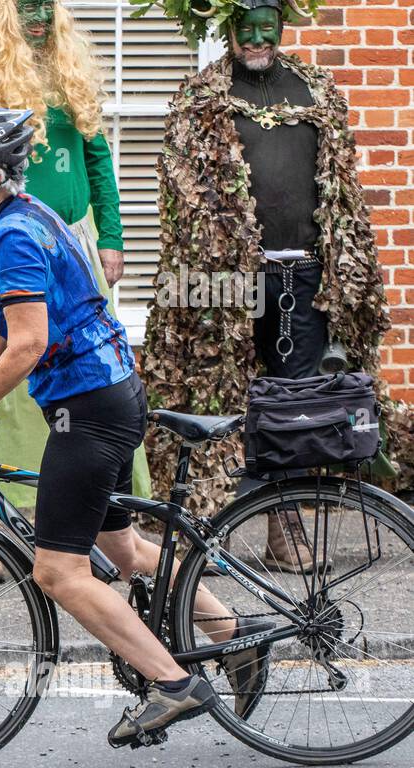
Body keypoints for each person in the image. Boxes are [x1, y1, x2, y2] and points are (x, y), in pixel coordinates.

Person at [0, 106, 269, 748]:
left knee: (57, 572)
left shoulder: (15, 233)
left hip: (91, 409)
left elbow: (29, 343)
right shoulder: (14, 220)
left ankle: (174, 684)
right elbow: (5, 322)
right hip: (102, 397)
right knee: (123, 550)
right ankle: (233, 636)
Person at [140, 0, 411, 549]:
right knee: (215, 395)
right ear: (228, 28)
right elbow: (180, 198)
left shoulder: (316, 92)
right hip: (225, 281)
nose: (258, 39)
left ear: (282, 27)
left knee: (296, 402)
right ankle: (200, 528)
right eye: (247, 28)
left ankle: (284, 526)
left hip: (304, 275)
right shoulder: (200, 99)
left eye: (268, 28)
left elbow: (343, 189)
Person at [0, 0, 149, 583]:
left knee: (81, 374)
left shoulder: (69, 62)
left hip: (63, 239)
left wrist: (114, 236)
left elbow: (97, 156)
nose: (40, 17)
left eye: (48, 6)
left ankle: (104, 527)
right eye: (27, 6)